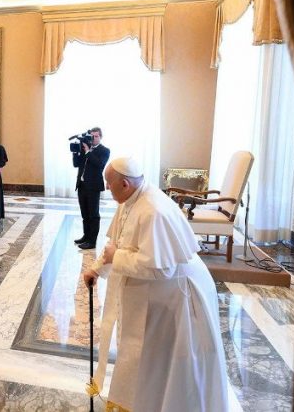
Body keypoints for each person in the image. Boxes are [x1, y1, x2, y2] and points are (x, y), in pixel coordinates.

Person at [82, 157, 228, 412]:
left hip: (178, 300)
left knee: (168, 364)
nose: (105, 187)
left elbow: (161, 267)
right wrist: (96, 268)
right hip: (155, 296)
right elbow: (117, 243)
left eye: (108, 182)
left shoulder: (153, 210)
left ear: (125, 184)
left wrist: (117, 257)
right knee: (144, 358)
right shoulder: (130, 199)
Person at [73, 127, 109, 250]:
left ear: (101, 137)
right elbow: (76, 164)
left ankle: (92, 241)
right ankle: (86, 236)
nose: (93, 139)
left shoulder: (104, 150)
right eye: (92, 136)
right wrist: (76, 152)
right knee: (85, 214)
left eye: (96, 136)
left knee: (93, 215)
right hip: (81, 185)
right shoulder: (85, 149)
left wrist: (88, 151)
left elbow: (100, 164)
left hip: (93, 187)